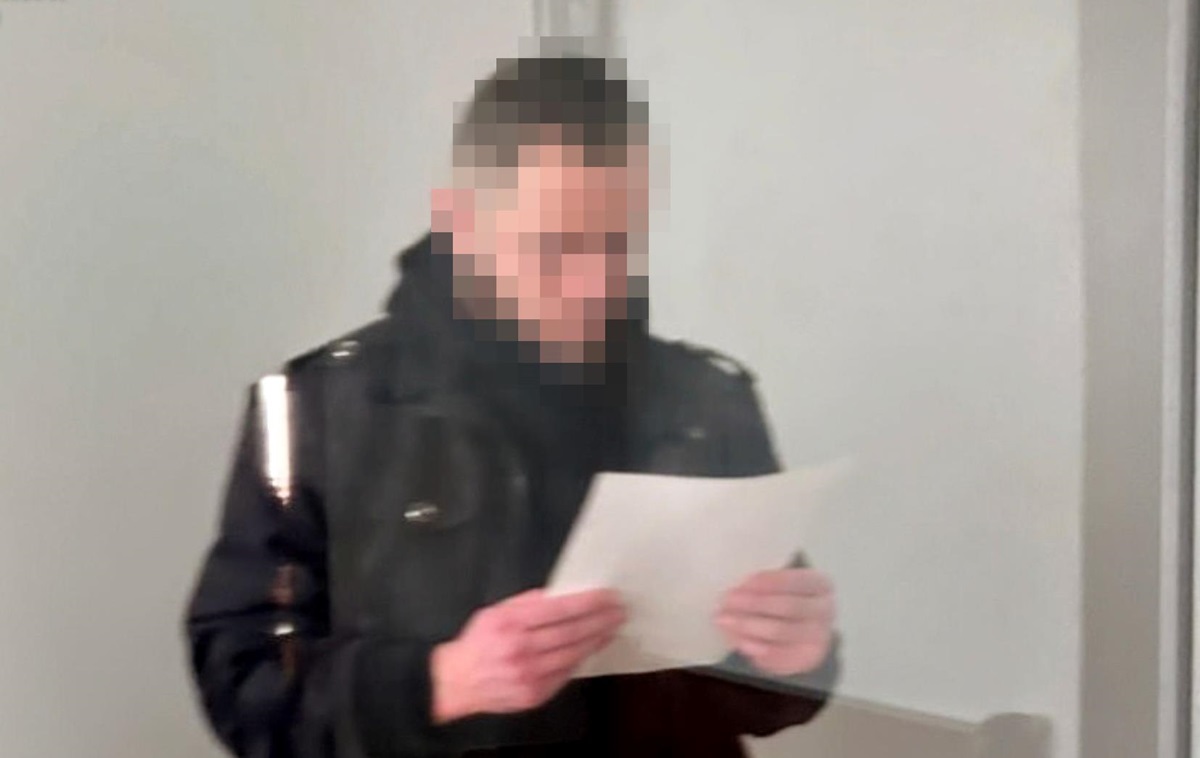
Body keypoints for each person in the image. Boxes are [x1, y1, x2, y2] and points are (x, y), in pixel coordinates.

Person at [185, 54, 839, 758]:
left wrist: (797, 659)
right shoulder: (314, 408)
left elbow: (768, 696)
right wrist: (438, 682)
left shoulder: (707, 401)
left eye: (619, 245)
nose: (595, 286)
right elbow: (242, 681)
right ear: (459, 219)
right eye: (557, 246)